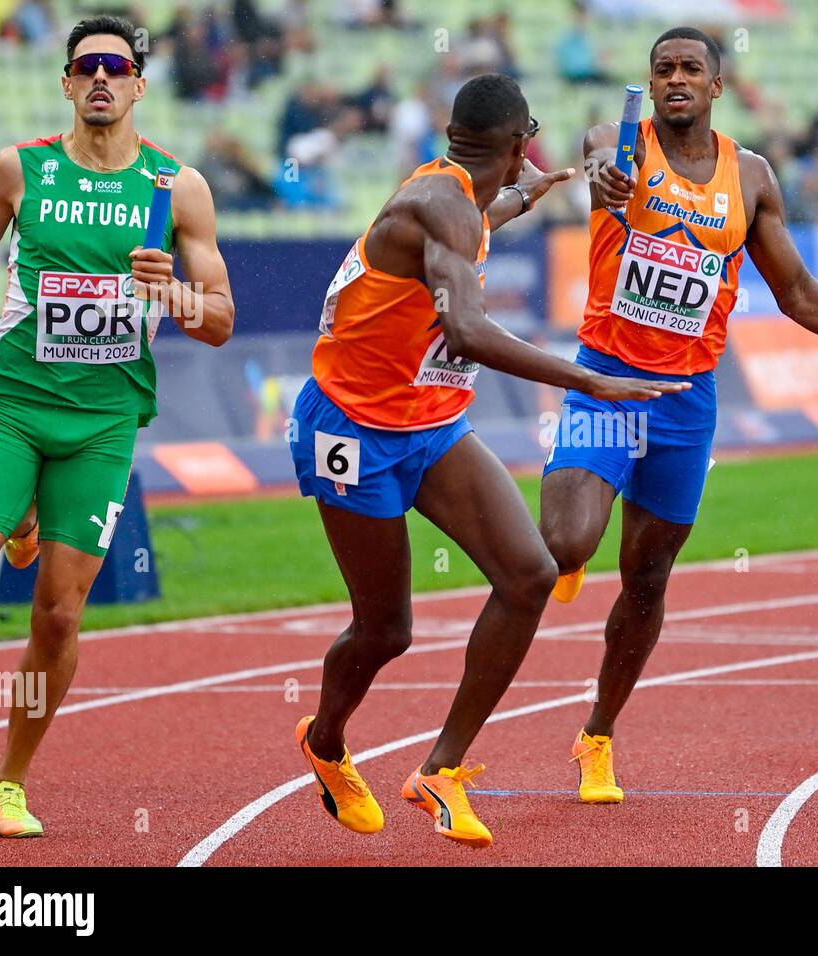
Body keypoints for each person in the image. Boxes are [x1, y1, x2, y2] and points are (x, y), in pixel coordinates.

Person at [289, 73, 688, 848]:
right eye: (526, 146)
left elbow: (478, 219)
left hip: (429, 423)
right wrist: (590, 377)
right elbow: (467, 332)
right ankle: (327, 741)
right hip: (352, 429)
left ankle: (441, 770)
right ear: (515, 141)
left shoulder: (461, 199)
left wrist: (526, 196)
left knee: (531, 573)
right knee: (385, 631)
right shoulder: (438, 202)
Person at [539, 27, 818, 804]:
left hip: (686, 400)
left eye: (690, 68)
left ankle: (597, 734)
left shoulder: (752, 175)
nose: (675, 79)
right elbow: (598, 168)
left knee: (648, 577)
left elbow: (794, 289)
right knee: (567, 540)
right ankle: (567, 562)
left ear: (715, 85)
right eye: (662, 68)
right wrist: (606, 181)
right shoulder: (617, 141)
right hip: (603, 377)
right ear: (649, 82)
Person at [0, 15, 235, 837]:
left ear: (139, 85)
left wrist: (172, 290)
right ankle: (17, 520)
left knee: (60, 615)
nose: (101, 77)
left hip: (105, 423)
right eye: (86, 67)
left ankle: (8, 784)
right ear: (67, 85)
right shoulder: (17, 170)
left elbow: (219, 319)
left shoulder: (176, 188)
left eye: (117, 65)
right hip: (15, 405)